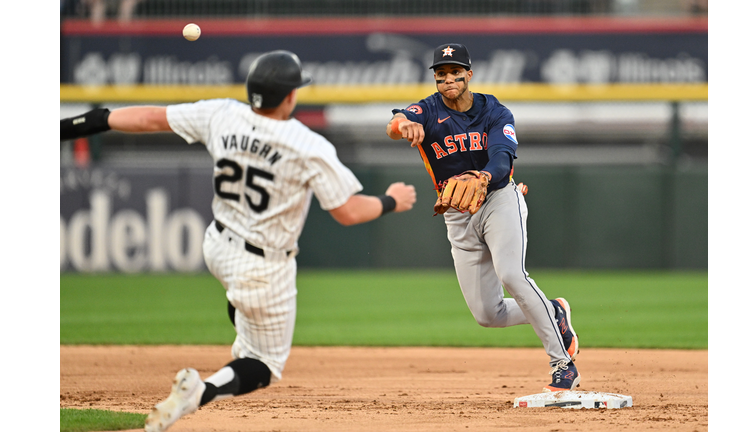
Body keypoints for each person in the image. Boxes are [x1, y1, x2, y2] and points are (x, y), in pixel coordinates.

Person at [60, 50, 417, 432]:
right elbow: (347, 211)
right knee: (263, 365)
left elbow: (149, 118)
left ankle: (242, 321)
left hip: (218, 244)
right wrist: (391, 200)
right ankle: (199, 391)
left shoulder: (222, 113)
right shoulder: (306, 144)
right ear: (290, 96)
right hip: (262, 267)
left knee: (245, 308)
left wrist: (88, 121)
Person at [385, 43, 580, 392]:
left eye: (455, 72)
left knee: (512, 276)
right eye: (440, 74)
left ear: (469, 74)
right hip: (457, 216)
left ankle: (562, 364)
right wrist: (402, 125)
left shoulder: (495, 111)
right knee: (488, 315)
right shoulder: (428, 110)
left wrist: (483, 177)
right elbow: (397, 120)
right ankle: (554, 311)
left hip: (498, 200)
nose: (448, 79)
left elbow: (502, 158)